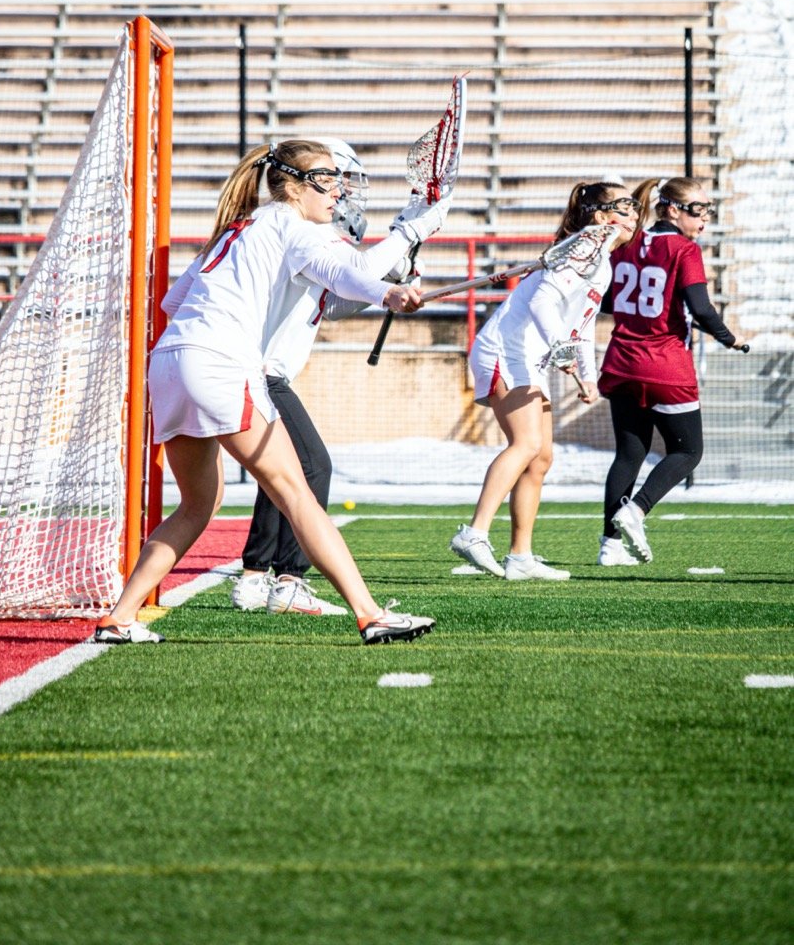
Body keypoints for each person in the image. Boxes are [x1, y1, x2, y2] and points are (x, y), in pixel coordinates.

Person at [92, 139, 443, 645]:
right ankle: (370, 614)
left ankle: (119, 619)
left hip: (169, 364)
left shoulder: (238, 227)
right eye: (326, 178)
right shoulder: (292, 225)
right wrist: (391, 285)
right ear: (294, 186)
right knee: (297, 493)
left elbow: (172, 301)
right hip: (220, 363)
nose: (337, 190)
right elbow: (347, 273)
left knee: (196, 506)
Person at [450, 181, 641, 581]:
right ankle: (474, 533)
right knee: (526, 444)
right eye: (625, 207)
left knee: (540, 458)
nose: (634, 215)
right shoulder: (584, 250)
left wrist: (586, 375)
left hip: (530, 359)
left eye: (635, 207)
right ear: (601, 217)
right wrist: (560, 347)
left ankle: (520, 556)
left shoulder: (601, 262)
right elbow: (540, 302)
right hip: (506, 351)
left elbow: (580, 328)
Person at [597, 177, 746, 566]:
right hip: (665, 364)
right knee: (688, 451)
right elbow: (701, 308)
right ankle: (637, 510)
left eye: (708, 210)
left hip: (621, 360)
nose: (704, 218)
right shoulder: (684, 249)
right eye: (698, 210)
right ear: (673, 210)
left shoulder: (627, 243)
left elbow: (610, 301)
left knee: (629, 454)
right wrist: (730, 339)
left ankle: (610, 547)